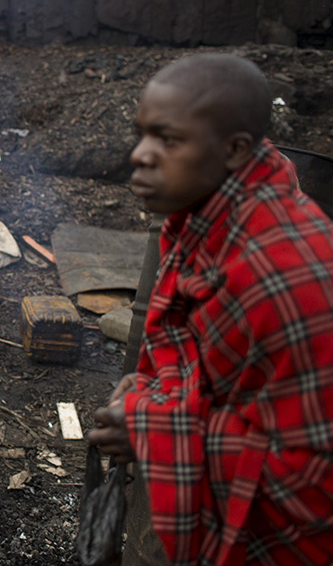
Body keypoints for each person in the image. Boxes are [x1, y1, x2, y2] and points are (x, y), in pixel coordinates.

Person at [87, 53, 333, 565]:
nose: (140, 155)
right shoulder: (208, 216)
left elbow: (310, 473)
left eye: (168, 140)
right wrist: (147, 394)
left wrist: (155, 430)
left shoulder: (281, 279)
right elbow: (209, 372)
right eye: (143, 134)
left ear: (236, 150)